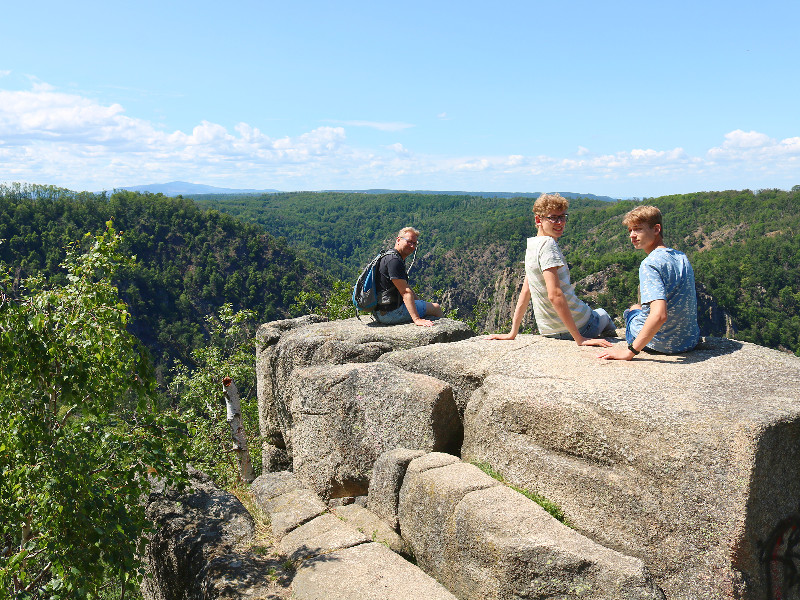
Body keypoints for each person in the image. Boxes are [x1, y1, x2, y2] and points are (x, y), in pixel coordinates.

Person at [488, 193, 614, 346]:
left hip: (549, 331)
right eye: (553, 217)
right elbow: (554, 294)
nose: (559, 222)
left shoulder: (532, 246)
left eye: (562, 217)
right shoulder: (548, 245)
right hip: (581, 327)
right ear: (538, 220)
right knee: (602, 314)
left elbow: (526, 290)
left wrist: (513, 332)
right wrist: (579, 339)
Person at [598, 205, 699, 360]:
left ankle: (631, 315)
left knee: (632, 311)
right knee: (639, 307)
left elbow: (659, 315)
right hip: (688, 341)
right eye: (630, 230)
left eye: (638, 229)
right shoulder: (682, 257)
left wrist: (629, 352)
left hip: (659, 344)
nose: (632, 235)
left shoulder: (649, 264)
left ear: (656, 229)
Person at [374, 226, 443, 327]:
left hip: (382, 311)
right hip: (390, 313)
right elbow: (405, 292)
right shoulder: (394, 261)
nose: (412, 246)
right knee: (436, 307)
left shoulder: (389, 256)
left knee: (425, 305)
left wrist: (418, 302)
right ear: (398, 240)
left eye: (414, 243)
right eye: (409, 241)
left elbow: (404, 286)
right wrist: (417, 319)